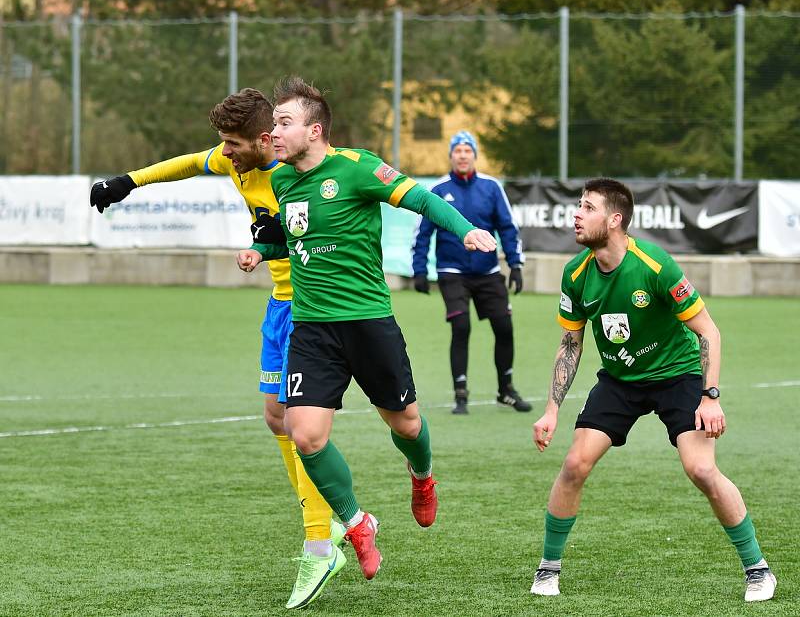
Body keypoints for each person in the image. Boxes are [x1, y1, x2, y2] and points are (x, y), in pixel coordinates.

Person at [89, 88, 347, 610]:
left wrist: (277, 233)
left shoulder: (299, 169)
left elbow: (335, 210)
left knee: (304, 423)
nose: (224, 152)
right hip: (280, 306)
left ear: (266, 139)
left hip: (317, 308)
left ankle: (321, 540)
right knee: (276, 419)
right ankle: (336, 518)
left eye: (232, 143)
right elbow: (189, 163)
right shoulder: (237, 160)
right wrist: (127, 182)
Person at [238, 77, 497, 581]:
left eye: (283, 123)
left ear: (315, 131)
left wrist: (466, 231)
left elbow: (420, 199)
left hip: (368, 324)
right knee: (303, 434)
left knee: (407, 425)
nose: (274, 133)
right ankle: (358, 525)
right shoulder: (283, 182)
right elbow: (295, 241)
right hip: (313, 331)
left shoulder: (356, 168)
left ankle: (422, 477)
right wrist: (260, 251)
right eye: (273, 124)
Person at [529, 178, 777, 603]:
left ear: (614, 219)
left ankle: (758, 569)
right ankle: (547, 569)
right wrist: (551, 409)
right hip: (620, 380)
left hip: (678, 376)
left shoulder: (656, 266)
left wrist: (710, 396)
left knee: (701, 470)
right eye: (578, 206)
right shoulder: (575, 274)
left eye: (587, 208)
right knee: (574, 465)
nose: (576, 214)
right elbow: (571, 344)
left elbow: (708, 332)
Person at [411, 130, 530, 415]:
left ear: (474, 156)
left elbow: (508, 228)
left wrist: (515, 265)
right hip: (452, 271)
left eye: (467, 151)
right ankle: (460, 393)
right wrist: (418, 270)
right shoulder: (438, 190)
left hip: (488, 271)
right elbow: (422, 232)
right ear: (451, 156)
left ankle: (506, 390)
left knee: (504, 327)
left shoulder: (491, 187)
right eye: (457, 151)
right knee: (461, 327)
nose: (462, 155)